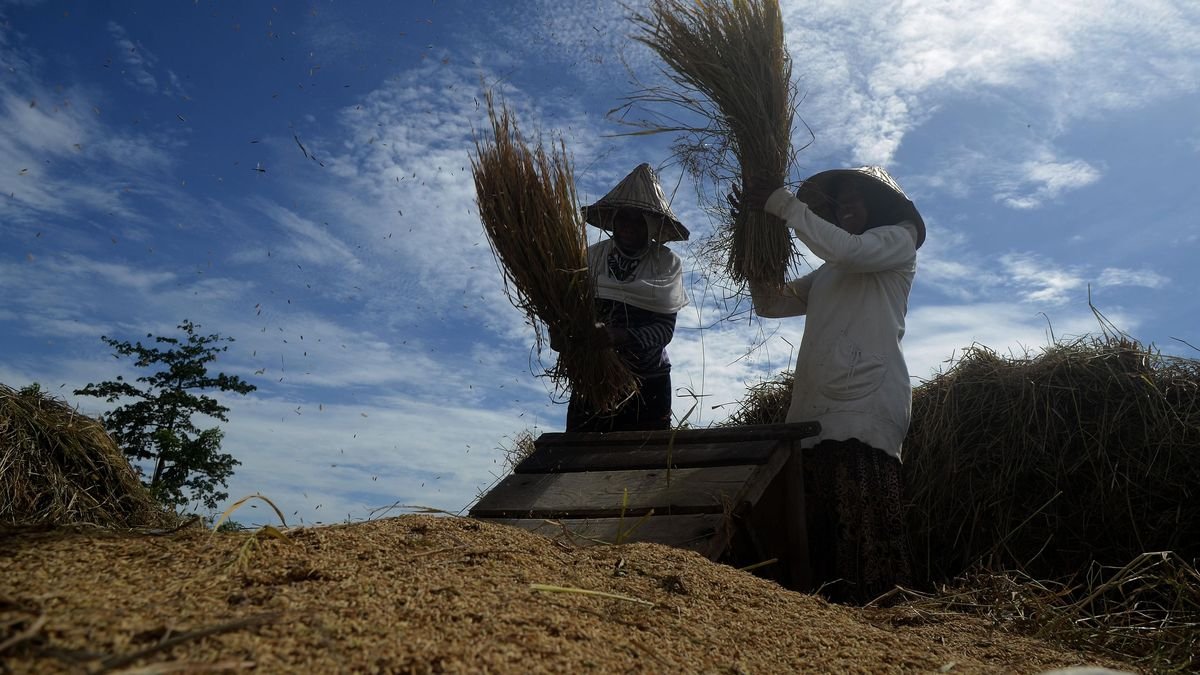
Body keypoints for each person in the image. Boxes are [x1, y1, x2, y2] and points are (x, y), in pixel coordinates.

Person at [738, 165, 926, 604]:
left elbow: (850, 253)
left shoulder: (897, 240)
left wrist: (782, 204)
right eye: (839, 201)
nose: (844, 208)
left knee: (861, 519)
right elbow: (770, 302)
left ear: (879, 204)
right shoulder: (827, 273)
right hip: (815, 405)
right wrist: (753, 239)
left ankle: (879, 626)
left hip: (865, 402)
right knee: (815, 525)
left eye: (854, 198)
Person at [556, 163, 689, 432]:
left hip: (648, 383)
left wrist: (620, 336)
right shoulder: (590, 259)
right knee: (577, 461)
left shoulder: (665, 264)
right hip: (592, 379)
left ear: (650, 225)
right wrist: (564, 334)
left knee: (643, 465)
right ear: (613, 220)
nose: (628, 226)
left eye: (638, 220)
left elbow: (664, 330)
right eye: (623, 218)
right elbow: (570, 314)